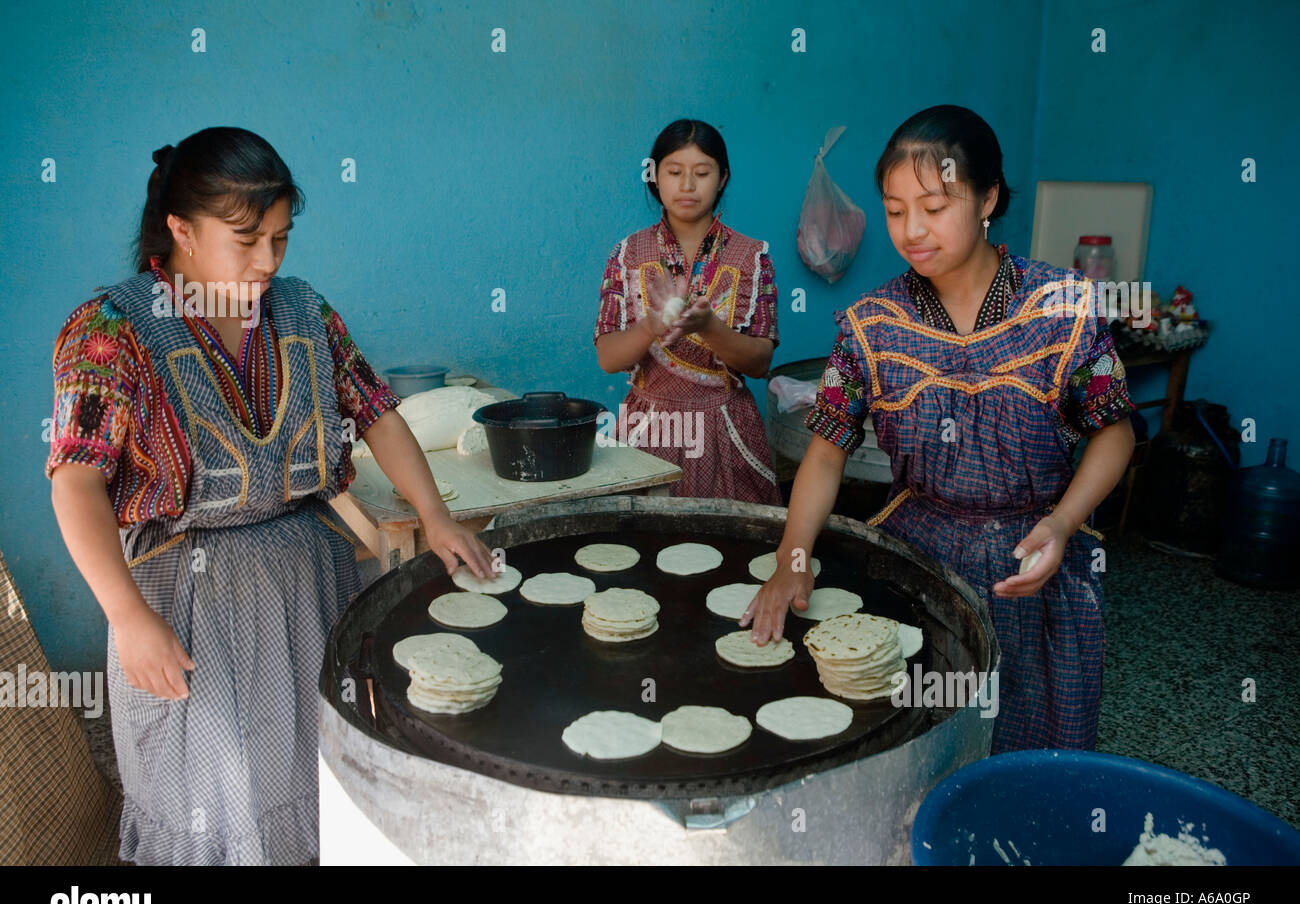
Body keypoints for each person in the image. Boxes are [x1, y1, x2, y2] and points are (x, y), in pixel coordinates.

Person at [45, 127, 494, 865]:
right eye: (246, 239)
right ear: (181, 231)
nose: (266, 262)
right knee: (214, 790)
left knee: (313, 771)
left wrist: (436, 517)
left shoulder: (302, 312)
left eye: (280, 240)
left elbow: (376, 410)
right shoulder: (111, 329)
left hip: (309, 578)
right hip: (186, 598)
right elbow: (76, 478)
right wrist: (126, 616)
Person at [742, 106, 1136, 753]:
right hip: (924, 559)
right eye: (895, 211)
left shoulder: (1061, 307)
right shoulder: (872, 326)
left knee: (1030, 743)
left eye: (933, 205)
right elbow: (826, 452)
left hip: (1036, 562)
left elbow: (1113, 431)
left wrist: (1063, 523)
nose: (912, 230)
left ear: (988, 198)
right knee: (924, 742)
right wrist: (792, 560)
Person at [594, 118, 783, 504]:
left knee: (732, 549)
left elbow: (761, 363)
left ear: (723, 177)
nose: (687, 185)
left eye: (702, 172)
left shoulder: (752, 256)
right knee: (643, 548)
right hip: (650, 428)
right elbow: (608, 358)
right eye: (674, 172)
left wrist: (710, 327)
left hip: (728, 428)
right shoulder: (627, 254)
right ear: (654, 176)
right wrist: (650, 325)